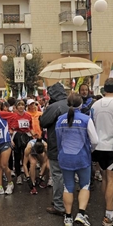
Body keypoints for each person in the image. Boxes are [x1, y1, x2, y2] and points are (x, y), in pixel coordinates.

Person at [56, 93, 98, 226]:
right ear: (81, 104)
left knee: (68, 186)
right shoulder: (86, 119)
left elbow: (58, 140)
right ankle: (80, 213)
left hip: (64, 157)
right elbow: (95, 141)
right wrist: (90, 150)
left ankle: (68, 217)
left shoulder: (60, 120)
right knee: (84, 185)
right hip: (82, 157)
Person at [91, 78, 113, 226]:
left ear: (104, 89)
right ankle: (109, 216)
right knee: (112, 180)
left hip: (98, 146)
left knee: (105, 178)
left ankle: (108, 210)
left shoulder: (95, 105)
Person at [40, 82, 69, 216]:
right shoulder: (72, 104)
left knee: (57, 175)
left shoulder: (54, 107)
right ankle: (67, 201)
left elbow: (43, 122)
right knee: (68, 175)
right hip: (73, 146)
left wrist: (46, 110)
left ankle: (59, 204)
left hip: (56, 145)